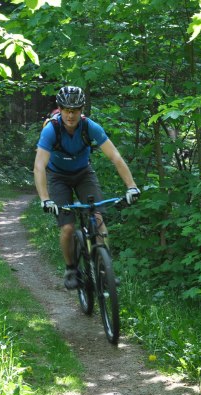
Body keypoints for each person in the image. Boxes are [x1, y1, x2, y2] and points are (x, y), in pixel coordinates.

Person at [33, 85, 140, 290]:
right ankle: (71, 268)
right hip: (57, 177)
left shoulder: (90, 127)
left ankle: (104, 270)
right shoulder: (51, 130)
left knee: (98, 219)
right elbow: (39, 166)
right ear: (60, 109)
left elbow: (115, 157)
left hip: (83, 173)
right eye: (66, 109)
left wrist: (132, 186)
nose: (70, 115)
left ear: (82, 110)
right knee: (67, 227)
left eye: (75, 110)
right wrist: (45, 199)